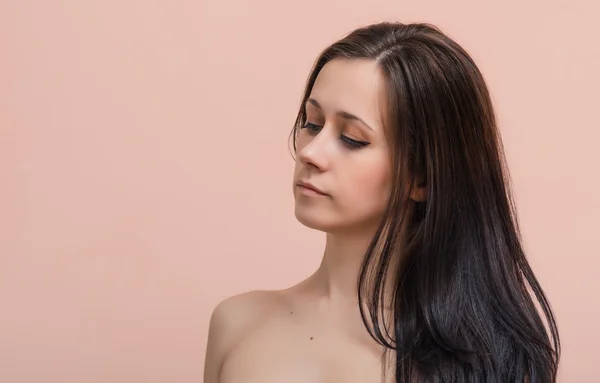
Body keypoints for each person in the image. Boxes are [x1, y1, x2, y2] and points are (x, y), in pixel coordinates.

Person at [203, 21, 560, 383]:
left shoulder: (487, 361)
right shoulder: (236, 324)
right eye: (311, 123)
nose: (311, 152)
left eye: (353, 139)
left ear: (421, 178)